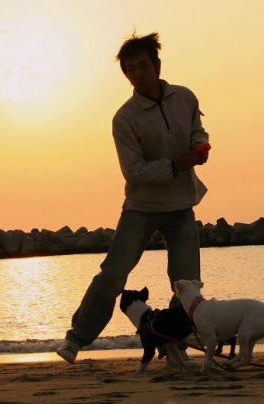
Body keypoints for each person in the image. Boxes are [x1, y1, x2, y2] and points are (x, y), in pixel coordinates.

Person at [57, 32, 210, 364]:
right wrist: (174, 165)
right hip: (140, 208)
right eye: (130, 69)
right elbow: (134, 171)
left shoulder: (185, 97)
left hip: (182, 205)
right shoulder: (124, 117)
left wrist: (199, 146)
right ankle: (76, 339)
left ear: (156, 65)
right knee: (112, 274)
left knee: (187, 284)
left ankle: (175, 344)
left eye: (143, 65)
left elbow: (197, 130)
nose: (138, 73)